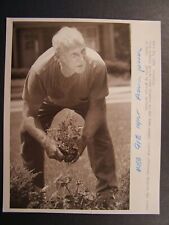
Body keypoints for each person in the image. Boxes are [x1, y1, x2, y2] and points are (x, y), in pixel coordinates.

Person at [21, 26, 117, 208]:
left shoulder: (96, 65)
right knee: (28, 133)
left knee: (99, 130)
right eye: (74, 55)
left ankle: (107, 195)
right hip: (49, 101)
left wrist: (84, 138)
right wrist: (46, 141)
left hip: (85, 100)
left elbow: (97, 107)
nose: (82, 58)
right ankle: (31, 196)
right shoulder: (40, 71)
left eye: (82, 51)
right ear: (58, 58)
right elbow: (28, 114)